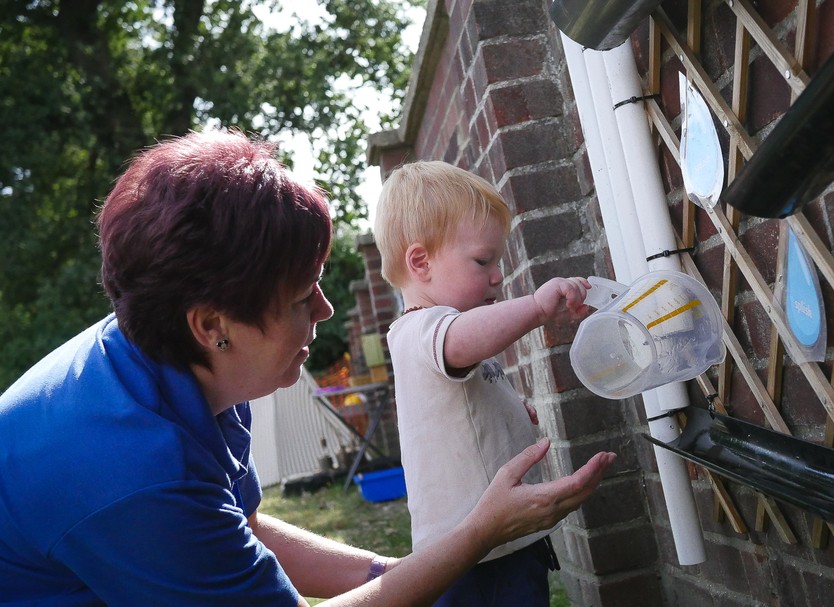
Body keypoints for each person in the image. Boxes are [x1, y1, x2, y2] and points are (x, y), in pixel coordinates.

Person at [0, 130, 615, 607]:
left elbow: (242, 531)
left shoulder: (183, 365)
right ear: (213, 327)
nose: (325, 310)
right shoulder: (133, 472)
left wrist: (390, 576)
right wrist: (478, 535)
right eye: (302, 299)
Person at [373, 160, 593, 606]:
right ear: (421, 262)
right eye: (482, 260)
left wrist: (510, 410)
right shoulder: (422, 330)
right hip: (471, 556)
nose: (498, 275)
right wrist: (535, 306)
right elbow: (464, 339)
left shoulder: (444, 335)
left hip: (497, 540)